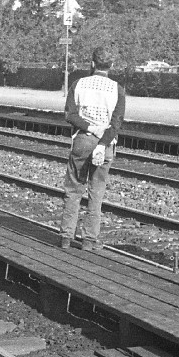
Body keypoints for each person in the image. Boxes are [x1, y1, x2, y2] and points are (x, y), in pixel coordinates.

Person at [59, 47, 126, 250]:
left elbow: (70, 114)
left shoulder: (78, 84)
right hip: (104, 146)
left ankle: (65, 237)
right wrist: (103, 140)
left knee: (73, 189)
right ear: (111, 66)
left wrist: (90, 128)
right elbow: (116, 124)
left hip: (82, 141)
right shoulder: (117, 89)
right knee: (96, 192)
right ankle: (89, 240)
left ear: (92, 63)